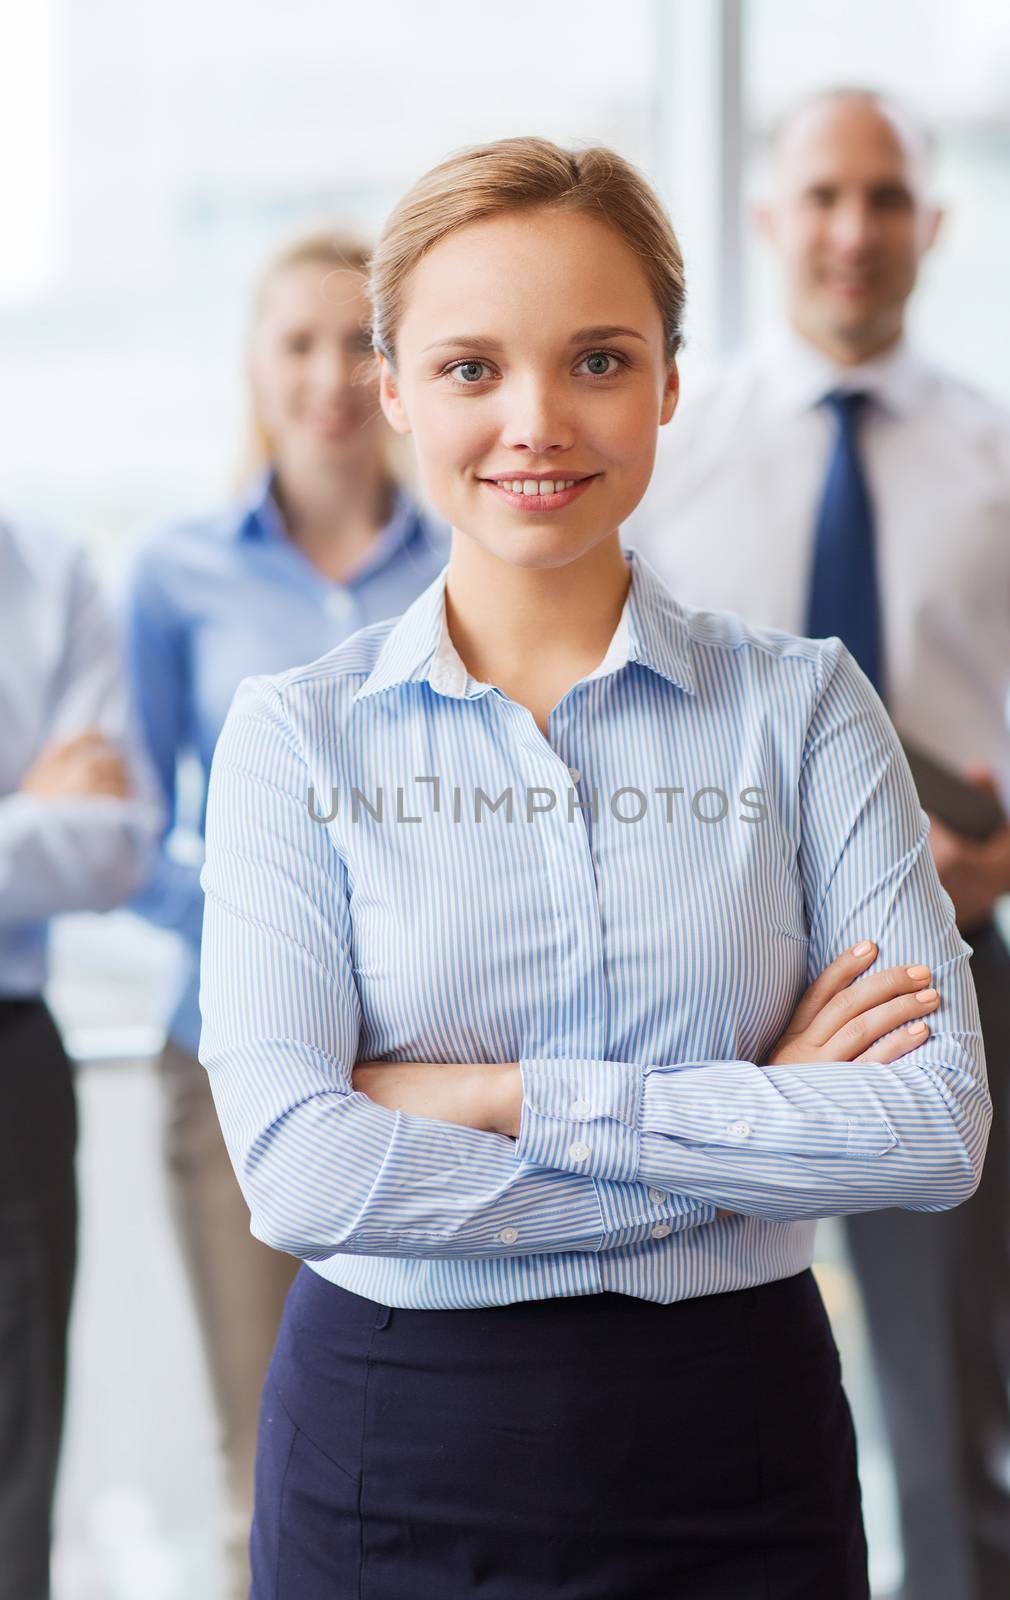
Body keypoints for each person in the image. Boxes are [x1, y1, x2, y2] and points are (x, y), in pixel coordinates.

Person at [198, 137, 992, 1600]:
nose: (536, 421)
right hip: (397, 1447)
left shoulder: (805, 708)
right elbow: (300, 1171)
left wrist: (513, 1102)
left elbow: (929, 1131)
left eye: (599, 360)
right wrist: (743, 1145)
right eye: (468, 369)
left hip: (734, 1444)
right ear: (391, 392)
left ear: (670, 383)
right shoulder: (294, 737)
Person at [627, 89, 1010, 1600]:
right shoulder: (668, 453)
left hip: (938, 976)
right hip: (701, 990)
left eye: (883, 199)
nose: (850, 230)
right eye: (820, 196)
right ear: (766, 220)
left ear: (928, 226)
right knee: (677, 1404)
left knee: (951, 1426)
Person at [124, 229, 446, 1600]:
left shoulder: (467, 557)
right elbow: (134, 834)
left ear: (400, 373)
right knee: (264, 1452)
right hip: (235, 1064)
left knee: (436, 1453)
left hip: (445, 1063)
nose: (328, 375)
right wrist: (273, 913)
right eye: (297, 343)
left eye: (358, 342)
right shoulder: (176, 574)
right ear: (256, 369)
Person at [1, 518, 158, 1600]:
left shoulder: (50, 574)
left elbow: (110, 845)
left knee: (13, 1465)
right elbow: (56, 836)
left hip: (10, 1055)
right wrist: (23, 817)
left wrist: (63, 821)